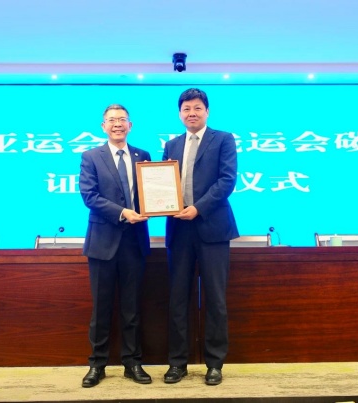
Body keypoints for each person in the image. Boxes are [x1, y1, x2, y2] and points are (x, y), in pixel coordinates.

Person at [162, 88, 239, 385]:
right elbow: (161, 184)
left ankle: (215, 364)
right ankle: (177, 363)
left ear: (207, 111)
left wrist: (198, 208)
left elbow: (226, 181)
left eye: (197, 108)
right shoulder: (171, 145)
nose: (191, 113)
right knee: (177, 299)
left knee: (215, 299)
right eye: (186, 109)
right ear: (179, 114)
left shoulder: (223, 139)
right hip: (179, 229)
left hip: (213, 228)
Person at [79, 104, 152, 387]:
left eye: (122, 120)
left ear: (130, 125)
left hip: (134, 242)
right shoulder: (91, 157)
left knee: (132, 308)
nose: (117, 124)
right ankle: (97, 365)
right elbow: (90, 196)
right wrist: (123, 212)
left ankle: (132, 363)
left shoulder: (143, 156)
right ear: (103, 126)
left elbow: (152, 191)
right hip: (102, 242)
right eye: (112, 120)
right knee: (101, 309)